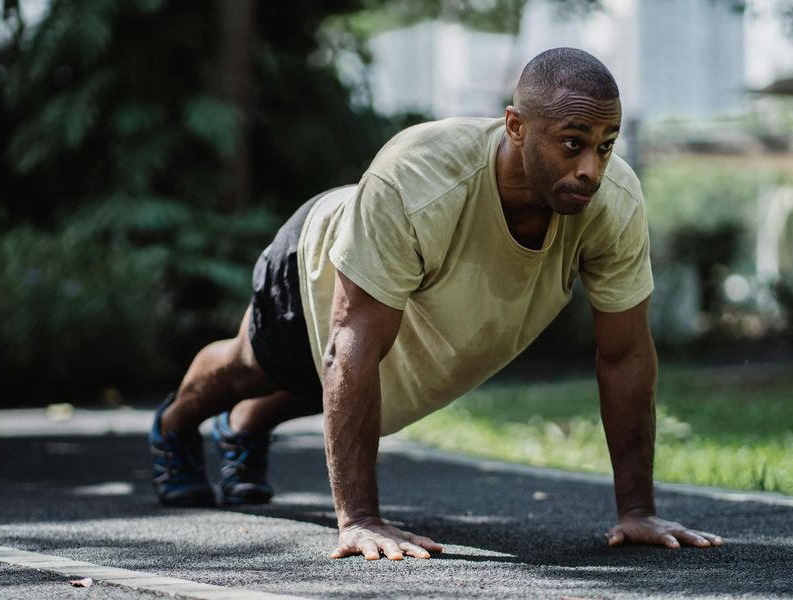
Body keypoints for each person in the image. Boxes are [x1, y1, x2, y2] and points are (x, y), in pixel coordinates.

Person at [148, 47, 724, 560]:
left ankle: (245, 426)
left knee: (353, 395)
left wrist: (637, 510)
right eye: (573, 144)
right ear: (516, 126)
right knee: (256, 366)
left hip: (402, 316)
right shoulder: (420, 175)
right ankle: (175, 426)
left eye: (606, 145)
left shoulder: (612, 202)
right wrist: (359, 520)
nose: (591, 169)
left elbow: (624, 356)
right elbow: (348, 345)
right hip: (319, 262)